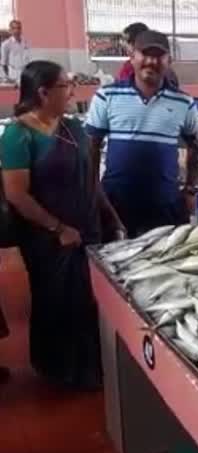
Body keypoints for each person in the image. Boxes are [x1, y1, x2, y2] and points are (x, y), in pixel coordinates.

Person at [0, 61, 125, 388]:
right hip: (47, 239)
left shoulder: (74, 128)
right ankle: (58, 369)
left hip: (87, 229)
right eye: (65, 85)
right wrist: (58, 228)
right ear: (43, 92)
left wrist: (112, 217)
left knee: (90, 300)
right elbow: (16, 194)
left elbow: (91, 181)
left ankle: (90, 368)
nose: (72, 91)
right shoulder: (18, 136)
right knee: (55, 300)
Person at [86, 30, 198, 237]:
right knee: (114, 263)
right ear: (132, 57)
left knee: (162, 264)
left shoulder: (184, 102)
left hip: (165, 205)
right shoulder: (107, 96)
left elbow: (195, 144)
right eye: (145, 54)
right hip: (115, 204)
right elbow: (91, 146)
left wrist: (191, 189)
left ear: (169, 60)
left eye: (159, 56)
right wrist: (93, 193)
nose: (151, 61)